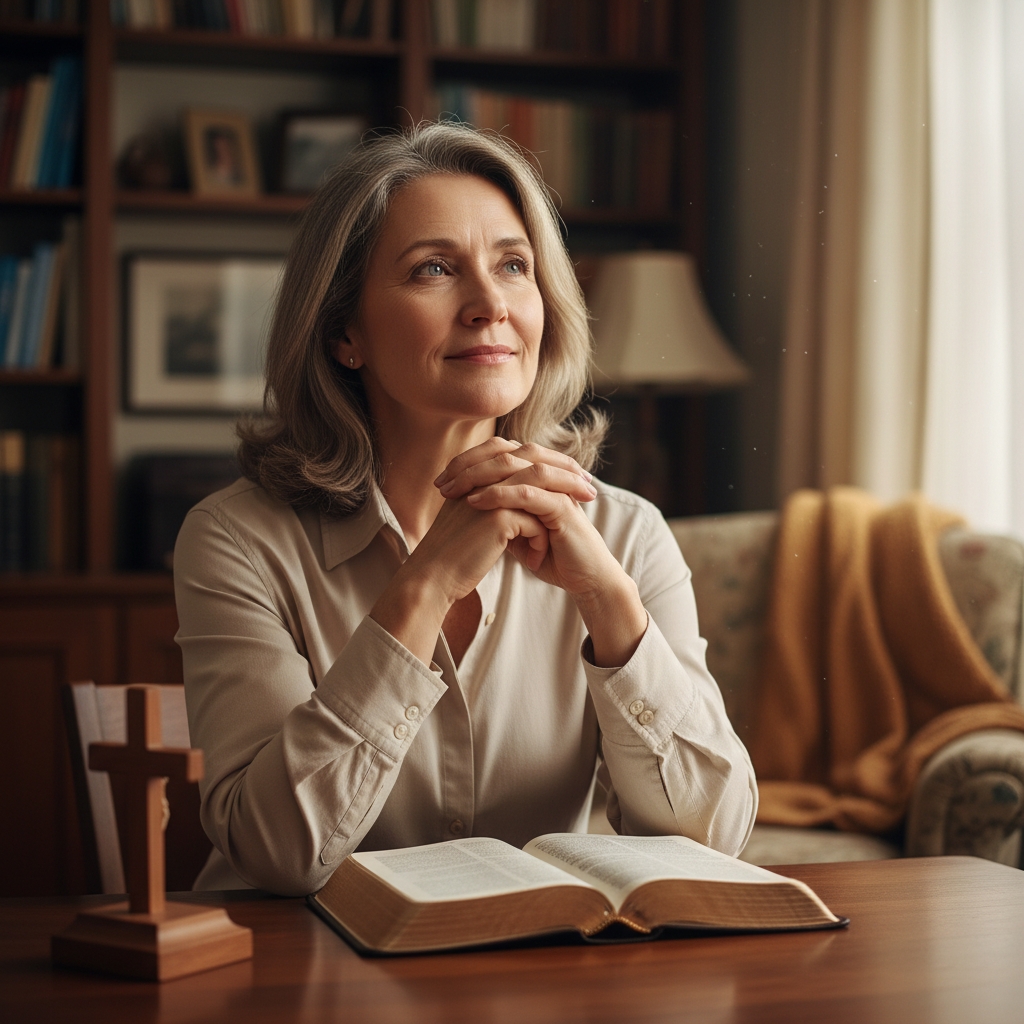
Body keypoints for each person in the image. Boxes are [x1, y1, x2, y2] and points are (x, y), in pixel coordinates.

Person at [174, 121, 757, 897]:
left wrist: (610, 604)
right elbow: (279, 851)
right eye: (434, 270)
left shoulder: (626, 533)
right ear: (345, 330)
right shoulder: (237, 539)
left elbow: (713, 837)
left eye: (514, 266)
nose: (490, 305)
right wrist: (423, 590)